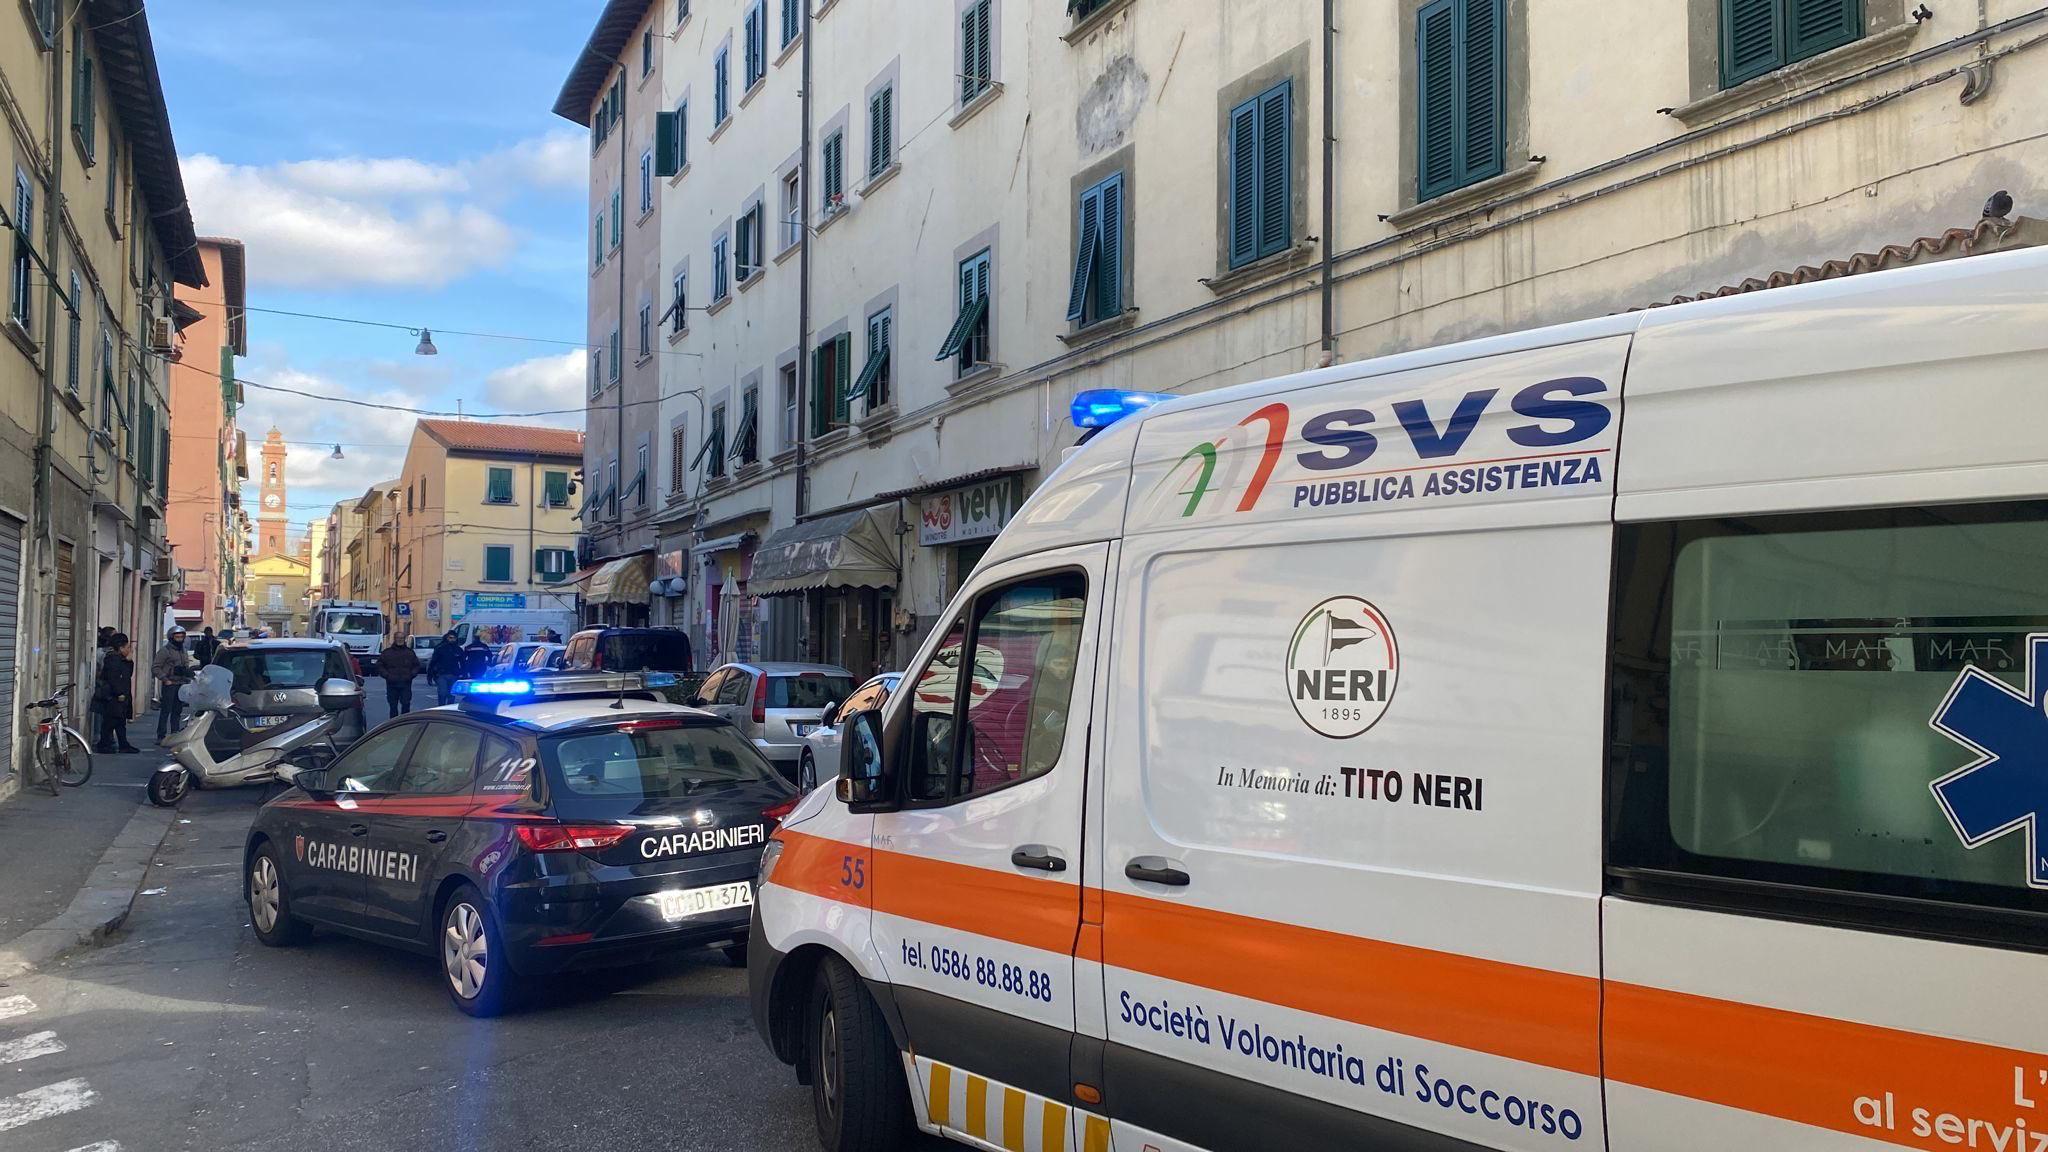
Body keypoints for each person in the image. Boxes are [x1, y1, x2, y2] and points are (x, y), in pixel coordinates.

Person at [93, 634, 139, 753]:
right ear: (121, 647)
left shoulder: (122, 660)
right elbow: (113, 678)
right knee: (111, 721)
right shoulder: (112, 659)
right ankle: (104, 744)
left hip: (121, 695)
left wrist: (129, 661)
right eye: (127, 647)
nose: (129, 650)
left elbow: (128, 674)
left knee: (120, 721)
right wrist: (119, 693)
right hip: (114, 696)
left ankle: (123, 744)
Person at [152, 627, 195, 741]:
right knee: (166, 710)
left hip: (181, 683)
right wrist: (165, 679)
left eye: (181, 637)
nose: (179, 639)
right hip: (170, 684)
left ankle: (175, 733)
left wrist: (188, 674)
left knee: (177, 710)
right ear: (172, 637)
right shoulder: (165, 651)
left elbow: (186, 665)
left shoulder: (183, 650)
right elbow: (156, 668)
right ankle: (161, 735)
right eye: (177, 637)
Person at [377, 634, 422, 716]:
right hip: (392, 683)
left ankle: (404, 723)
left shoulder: (409, 652)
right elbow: (380, 665)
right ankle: (394, 724)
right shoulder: (387, 652)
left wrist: (411, 675)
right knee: (393, 706)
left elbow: (416, 665)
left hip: (406, 683)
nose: (400, 640)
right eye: (398, 638)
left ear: (404, 639)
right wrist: (387, 675)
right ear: (394, 639)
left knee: (406, 704)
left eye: (401, 638)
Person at [428, 631, 465, 705]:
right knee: (442, 693)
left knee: (451, 695)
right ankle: (441, 708)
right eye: (450, 638)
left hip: (454, 674)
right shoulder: (440, 648)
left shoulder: (458, 649)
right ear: (447, 638)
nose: (452, 639)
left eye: (454, 638)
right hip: (441, 674)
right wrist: (430, 675)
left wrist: (463, 673)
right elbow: (433, 662)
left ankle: (448, 710)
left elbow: (463, 662)